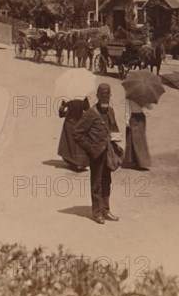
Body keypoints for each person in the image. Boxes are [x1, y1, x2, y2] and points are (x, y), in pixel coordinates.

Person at [74, 83, 120, 224]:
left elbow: (114, 128)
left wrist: (116, 140)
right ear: (98, 97)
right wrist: (90, 148)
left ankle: (106, 210)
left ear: (110, 96)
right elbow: (77, 133)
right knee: (96, 183)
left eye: (107, 96)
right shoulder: (90, 114)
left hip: (108, 154)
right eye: (102, 96)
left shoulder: (111, 111)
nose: (105, 99)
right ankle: (97, 212)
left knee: (107, 181)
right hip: (96, 155)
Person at [57, 98, 90, 172]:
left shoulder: (67, 97)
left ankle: (72, 161)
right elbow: (88, 110)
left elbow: (61, 112)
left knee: (69, 143)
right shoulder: (83, 97)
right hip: (80, 123)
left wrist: (67, 112)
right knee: (79, 144)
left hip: (69, 123)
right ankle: (80, 162)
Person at [123, 99, 152, 170]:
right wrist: (127, 120)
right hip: (134, 117)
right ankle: (135, 160)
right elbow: (127, 107)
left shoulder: (140, 95)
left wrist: (145, 102)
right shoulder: (130, 96)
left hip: (139, 117)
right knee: (134, 139)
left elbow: (149, 107)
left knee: (139, 139)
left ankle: (138, 161)